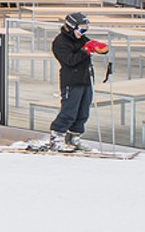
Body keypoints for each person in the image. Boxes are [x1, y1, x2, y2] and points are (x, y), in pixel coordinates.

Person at [45, 11, 110, 152]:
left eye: (86, 28)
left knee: (83, 112)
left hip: (86, 79)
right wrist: (85, 50)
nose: (83, 31)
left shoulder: (82, 38)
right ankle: (56, 137)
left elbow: (93, 46)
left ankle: (74, 137)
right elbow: (70, 61)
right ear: (71, 27)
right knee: (69, 111)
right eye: (81, 28)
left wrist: (100, 48)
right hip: (71, 81)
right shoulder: (60, 42)